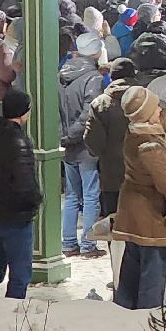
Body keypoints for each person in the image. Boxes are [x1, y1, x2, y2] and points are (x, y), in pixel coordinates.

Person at [112, 86, 166, 310]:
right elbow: (164, 183)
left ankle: (123, 317)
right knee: (152, 276)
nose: (161, 109)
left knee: (130, 273)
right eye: (156, 107)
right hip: (151, 218)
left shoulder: (137, 130)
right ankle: (148, 322)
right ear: (146, 113)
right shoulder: (149, 144)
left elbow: (165, 120)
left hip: (133, 215)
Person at [0, 91, 42, 299]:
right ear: (24, 112)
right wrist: (35, 201)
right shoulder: (19, 141)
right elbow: (24, 179)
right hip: (17, 214)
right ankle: (14, 312)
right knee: (20, 270)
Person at [59, 32, 108, 259]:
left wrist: (64, 136)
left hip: (67, 144)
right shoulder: (94, 78)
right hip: (84, 144)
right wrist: (75, 135)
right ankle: (88, 244)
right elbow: (90, 112)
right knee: (90, 195)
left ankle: (68, 242)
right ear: (97, 51)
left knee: (71, 195)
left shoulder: (62, 73)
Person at [83, 57, 136, 219]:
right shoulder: (144, 98)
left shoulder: (100, 103)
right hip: (142, 172)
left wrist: (103, 155)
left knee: (114, 222)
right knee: (139, 223)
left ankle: (116, 245)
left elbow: (93, 141)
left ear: (112, 77)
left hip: (111, 174)